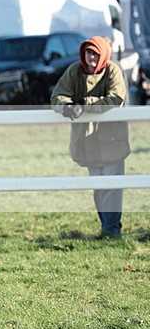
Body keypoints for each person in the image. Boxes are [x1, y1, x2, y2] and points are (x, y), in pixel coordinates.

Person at [51, 36, 130, 238]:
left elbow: (115, 98)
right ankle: (107, 228)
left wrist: (84, 105)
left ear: (103, 54)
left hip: (112, 140)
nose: (91, 57)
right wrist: (67, 107)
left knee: (112, 188)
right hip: (86, 140)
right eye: (88, 52)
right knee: (98, 187)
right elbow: (57, 95)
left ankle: (111, 230)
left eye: (95, 53)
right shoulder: (74, 70)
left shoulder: (113, 70)